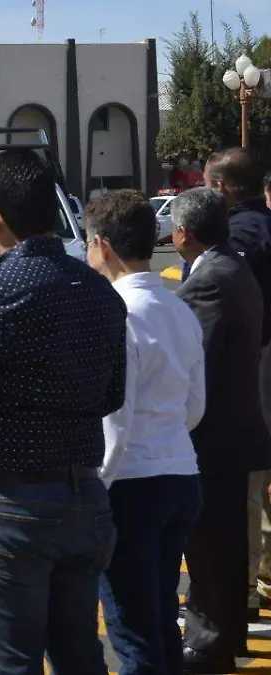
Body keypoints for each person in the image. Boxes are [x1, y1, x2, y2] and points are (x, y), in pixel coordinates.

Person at [0, 149, 127, 675]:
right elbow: (112, 394)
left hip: (11, 505)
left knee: (9, 663)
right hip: (86, 500)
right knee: (81, 655)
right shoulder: (99, 291)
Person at [83, 190, 205, 675]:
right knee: (158, 621)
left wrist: (97, 486)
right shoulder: (179, 308)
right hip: (180, 473)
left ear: (104, 245)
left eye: (90, 243)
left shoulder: (114, 312)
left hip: (129, 483)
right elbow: (195, 405)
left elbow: (114, 417)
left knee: (133, 630)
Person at [172, 186, 271, 672]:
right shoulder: (233, 266)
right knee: (227, 548)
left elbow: (197, 368)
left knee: (211, 550)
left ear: (182, 233)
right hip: (238, 435)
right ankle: (223, 636)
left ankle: (209, 642)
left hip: (213, 442)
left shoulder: (208, 280)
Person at [201, 148, 271, 621]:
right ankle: (262, 576)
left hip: (252, 368)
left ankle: (246, 584)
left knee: (248, 485)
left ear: (222, 188)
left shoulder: (238, 240)